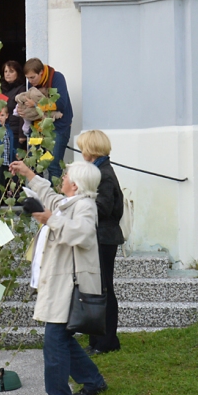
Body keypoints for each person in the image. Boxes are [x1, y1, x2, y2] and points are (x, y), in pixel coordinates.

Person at [9, 159, 107, 395]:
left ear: (75, 184)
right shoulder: (69, 202)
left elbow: (83, 233)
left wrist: (50, 219)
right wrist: (28, 173)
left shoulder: (85, 206)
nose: (62, 178)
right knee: (61, 338)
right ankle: (93, 381)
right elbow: (48, 196)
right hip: (61, 282)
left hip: (69, 285)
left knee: (55, 341)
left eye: (66, 175)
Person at [77, 130, 124, 356]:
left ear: (91, 149)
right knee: (96, 289)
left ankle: (107, 340)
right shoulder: (99, 171)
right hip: (99, 237)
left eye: (83, 148)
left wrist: (81, 203)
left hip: (104, 238)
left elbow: (104, 208)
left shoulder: (104, 174)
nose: (81, 152)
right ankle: (97, 339)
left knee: (104, 288)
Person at [18, 58, 73, 182]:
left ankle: (55, 199)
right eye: (28, 78)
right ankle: (38, 199)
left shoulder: (57, 78)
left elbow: (61, 104)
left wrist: (36, 106)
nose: (30, 82)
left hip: (57, 128)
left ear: (41, 73)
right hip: (37, 129)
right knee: (35, 165)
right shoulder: (32, 83)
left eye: (33, 78)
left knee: (53, 166)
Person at [2, 60, 27, 148]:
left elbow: (23, 112)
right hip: (3, 131)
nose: (7, 74)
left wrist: (22, 135)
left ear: (18, 73)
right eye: (6, 71)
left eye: (11, 71)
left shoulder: (22, 89)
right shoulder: (2, 89)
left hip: (15, 132)